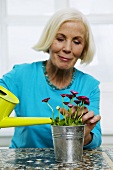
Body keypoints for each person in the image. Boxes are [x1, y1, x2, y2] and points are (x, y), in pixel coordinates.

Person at [0, 8, 101, 149]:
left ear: (84, 49)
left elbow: (95, 140)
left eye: (76, 42)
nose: (67, 48)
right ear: (49, 39)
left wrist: (82, 134)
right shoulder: (20, 75)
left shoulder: (89, 85)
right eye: (60, 39)